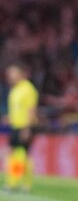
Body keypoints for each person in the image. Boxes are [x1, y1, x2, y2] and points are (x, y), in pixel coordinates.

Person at [3, 63, 39, 193]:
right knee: (19, 155)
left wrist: (27, 128)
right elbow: (17, 109)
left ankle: (17, 182)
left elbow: (31, 110)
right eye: (9, 75)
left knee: (20, 155)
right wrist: (8, 117)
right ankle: (21, 183)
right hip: (15, 126)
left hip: (24, 126)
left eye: (13, 74)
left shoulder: (28, 89)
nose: (10, 77)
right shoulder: (15, 90)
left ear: (21, 74)